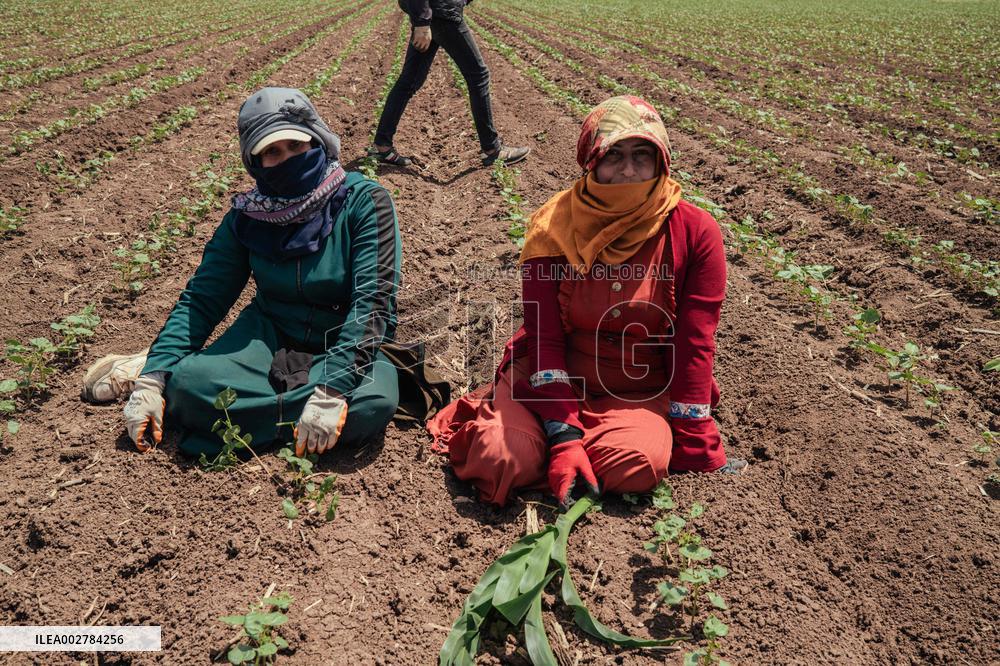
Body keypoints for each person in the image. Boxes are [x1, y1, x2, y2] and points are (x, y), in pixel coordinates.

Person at [427, 95, 747, 507]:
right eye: (614, 155)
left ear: (662, 161)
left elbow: (694, 343)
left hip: (638, 387)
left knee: (636, 464)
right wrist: (563, 436)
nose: (628, 170)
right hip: (552, 375)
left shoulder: (694, 231)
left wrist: (696, 444)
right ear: (591, 159)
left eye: (642, 155)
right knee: (499, 459)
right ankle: (552, 445)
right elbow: (545, 338)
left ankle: (570, 453)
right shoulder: (555, 226)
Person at [82, 87, 401, 459]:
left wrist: (333, 390)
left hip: (343, 340)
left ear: (316, 140)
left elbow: (374, 303)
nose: (288, 159)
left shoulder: (365, 202)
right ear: (255, 162)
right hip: (268, 337)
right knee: (188, 384)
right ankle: (159, 367)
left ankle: (240, 420)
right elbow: (203, 299)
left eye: (296, 146)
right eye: (272, 153)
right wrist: (154, 381)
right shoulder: (246, 218)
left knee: (374, 399)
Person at [369, 0, 530, 167]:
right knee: (478, 75)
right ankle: (492, 149)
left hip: (436, 11)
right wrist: (422, 22)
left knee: (410, 80)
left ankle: (382, 145)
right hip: (442, 11)